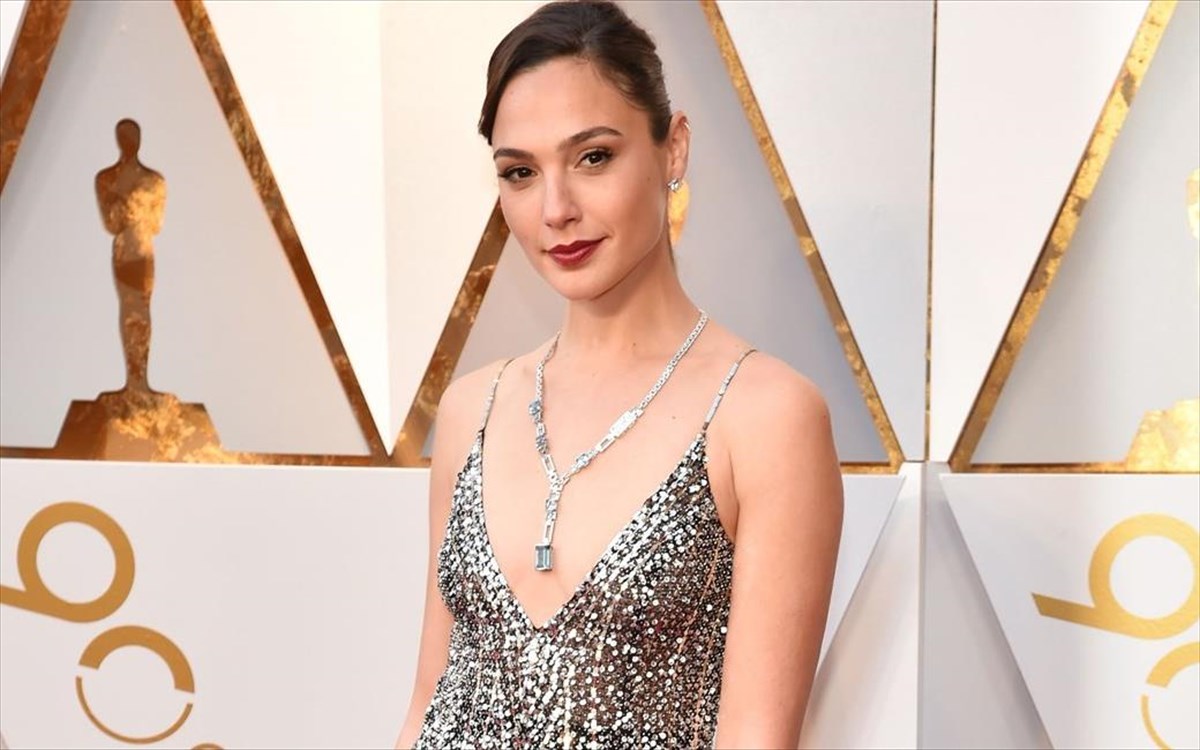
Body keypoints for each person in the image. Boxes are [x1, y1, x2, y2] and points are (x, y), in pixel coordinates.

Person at [396, 2, 842, 747]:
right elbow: (425, 705)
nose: (556, 209)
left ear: (673, 149)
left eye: (593, 157)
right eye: (520, 173)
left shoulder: (766, 416)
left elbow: (756, 737)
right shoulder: (474, 408)